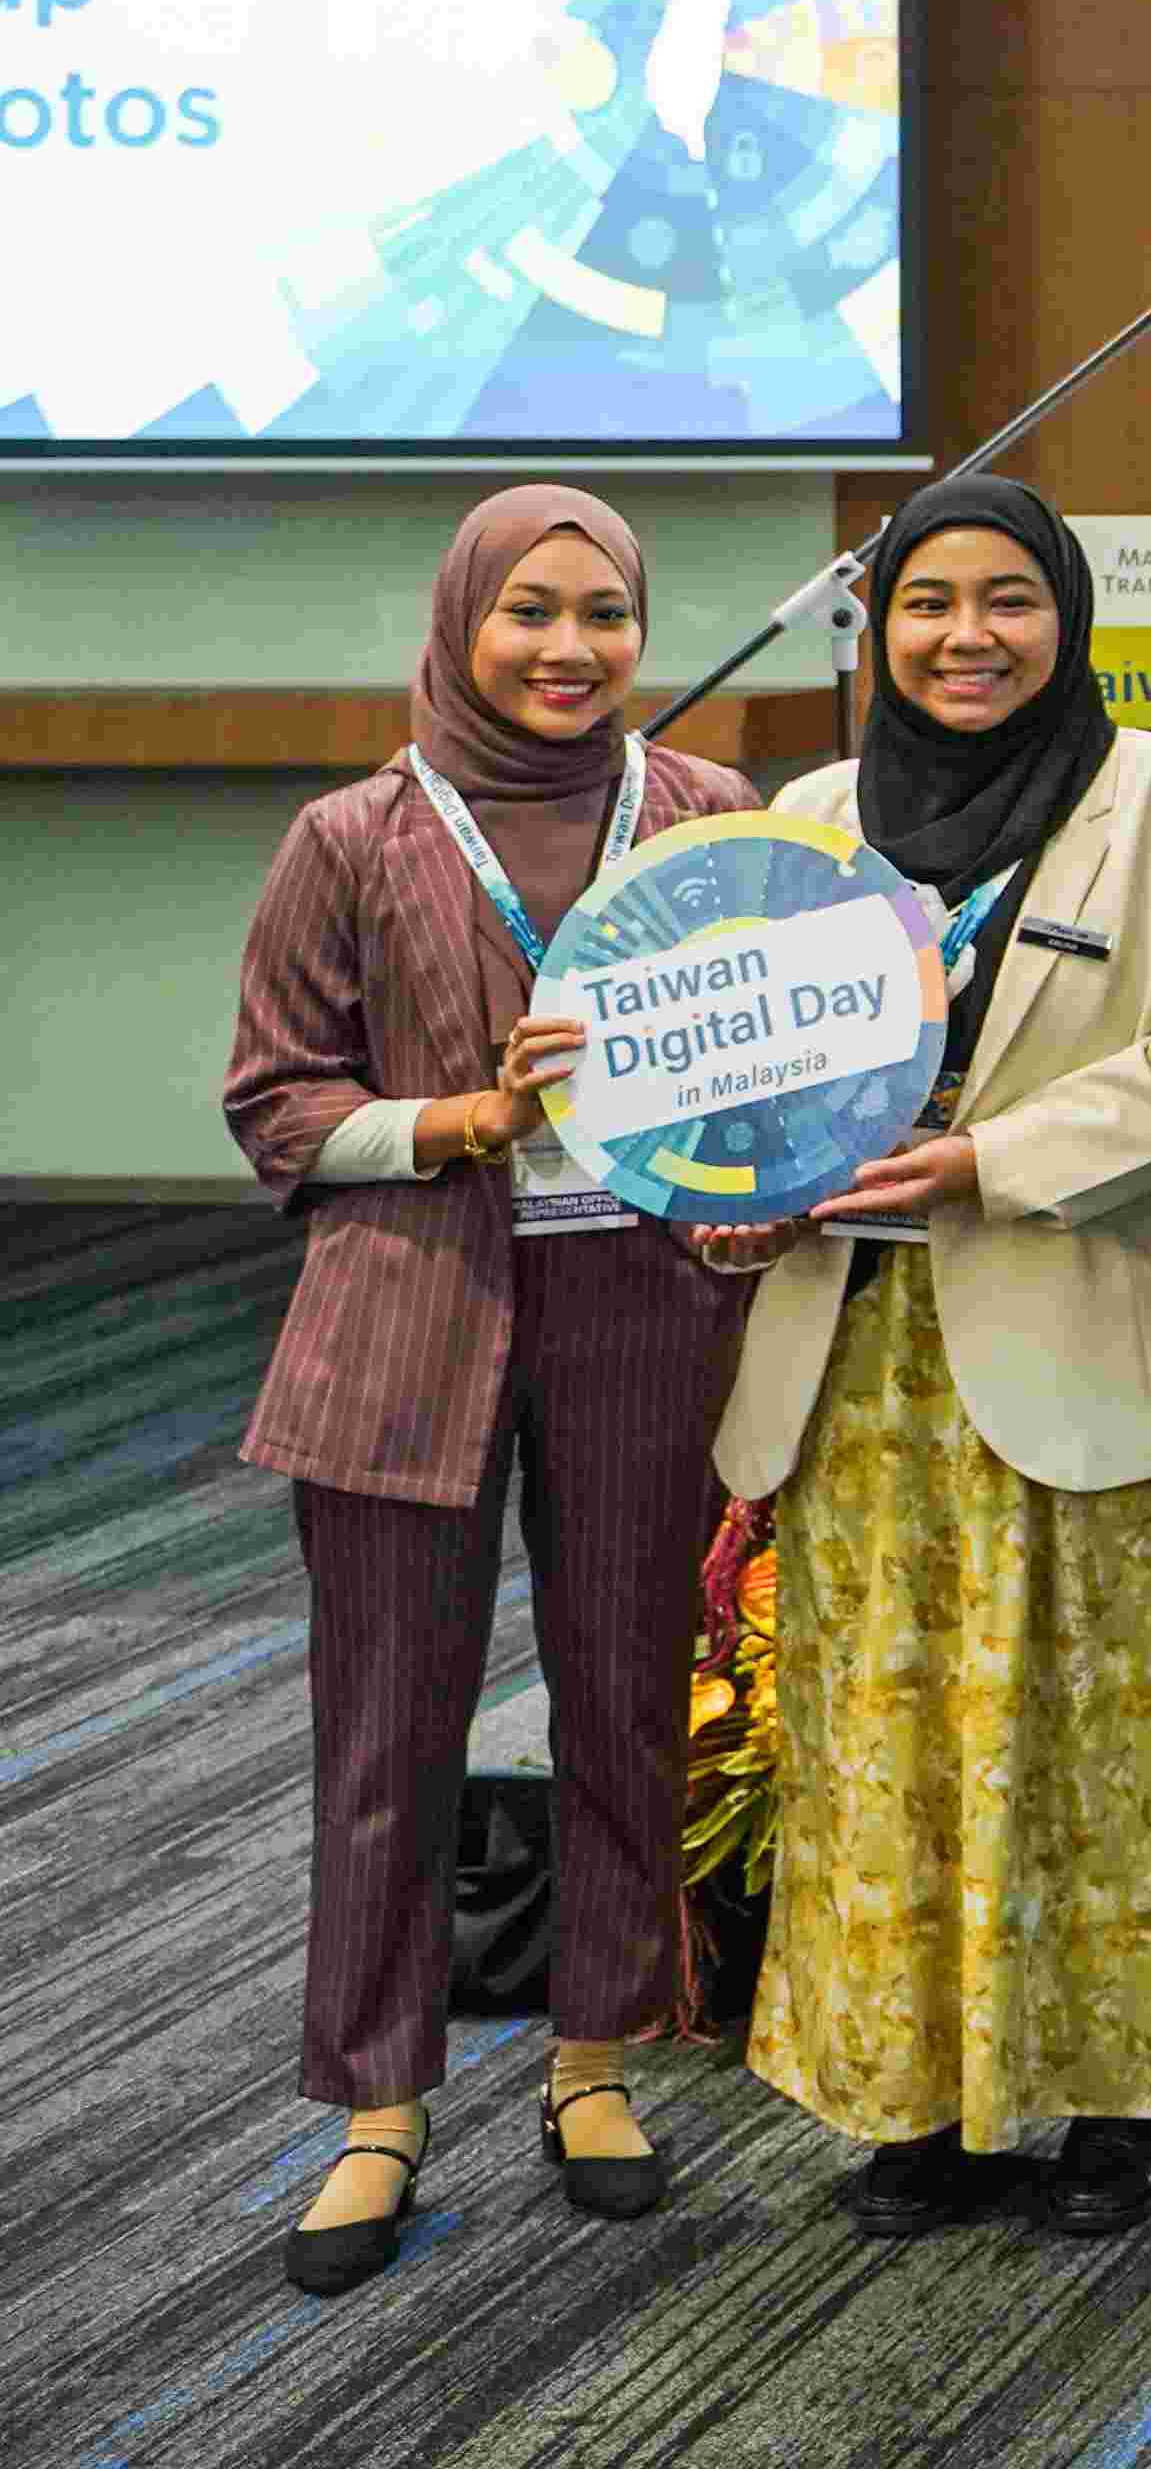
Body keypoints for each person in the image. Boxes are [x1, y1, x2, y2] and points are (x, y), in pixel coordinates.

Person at [715, 475, 1151, 2240]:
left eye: (1009, 600)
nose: (968, 637)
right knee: (887, 1728)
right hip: (865, 1350)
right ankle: (916, 2100)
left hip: (1100, 1317)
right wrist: (728, 1184)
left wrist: (989, 1159)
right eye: (929, 604)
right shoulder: (810, 819)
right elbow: (753, 1074)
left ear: (1068, 618)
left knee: (1119, 1727)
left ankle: (1123, 2098)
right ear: (879, 627)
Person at [223, 489, 758, 2293]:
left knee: (627, 1695)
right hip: (405, 1315)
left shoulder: (709, 818)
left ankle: (596, 2061)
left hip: (645, 1308)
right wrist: (468, 1118)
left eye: (605, 613)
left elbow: (776, 1066)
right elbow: (276, 1106)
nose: (568, 648)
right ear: (462, 622)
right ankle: (378, 2106)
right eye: (529, 610)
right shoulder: (350, 836)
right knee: (389, 1730)